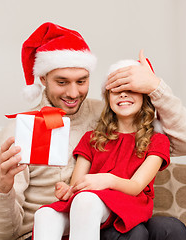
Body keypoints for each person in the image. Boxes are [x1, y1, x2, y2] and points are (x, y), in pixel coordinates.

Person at [0, 22, 186, 240]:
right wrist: (2, 189)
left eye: (81, 81)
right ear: (43, 78)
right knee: (132, 232)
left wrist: (155, 87)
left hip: (108, 214)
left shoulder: (107, 115)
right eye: (62, 82)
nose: (73, 92)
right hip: (51, 225)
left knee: (171, 228)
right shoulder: (21, 129)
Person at [33, 59, 171, 240]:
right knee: (44, 215)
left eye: (131, 90)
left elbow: (136, 187)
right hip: (89, 203)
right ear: (108, 97)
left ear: (145, 97)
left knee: (85, 200)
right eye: (116, 90)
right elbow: (78, 185)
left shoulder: (157, 140)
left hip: (127, 203)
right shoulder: (92, 138)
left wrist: (107, 180)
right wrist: (68, 190)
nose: (123, 95)